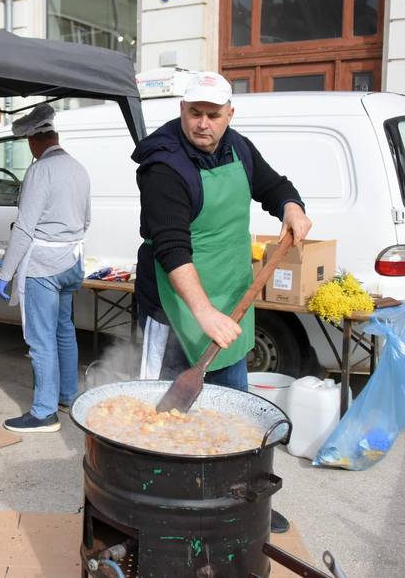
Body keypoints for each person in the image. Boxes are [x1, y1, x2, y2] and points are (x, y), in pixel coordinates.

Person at [133, 72, 312, 533]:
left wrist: (290, 206)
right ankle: (167, 508)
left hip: (231, 298)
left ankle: (242, 503)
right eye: (196, 113)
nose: (204, 124)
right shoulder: (163, 165)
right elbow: (171, 247)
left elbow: (273, 186)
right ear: (182, 111)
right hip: (179, 307)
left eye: (214, 115)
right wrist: (203, 312)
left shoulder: (239, 147)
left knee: (237, 413)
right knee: (167, 420)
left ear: (230, 115)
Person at [0, 103, 91, 433]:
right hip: (72, 262)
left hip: (44, 266)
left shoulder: (39, 171)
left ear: (33, 141)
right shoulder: (79, 167)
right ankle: (68, 395)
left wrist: (5, 273)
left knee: (40, 339)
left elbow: (24, 227)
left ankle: (43, 412)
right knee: (64, 328)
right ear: (55, 135)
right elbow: (87, 220)